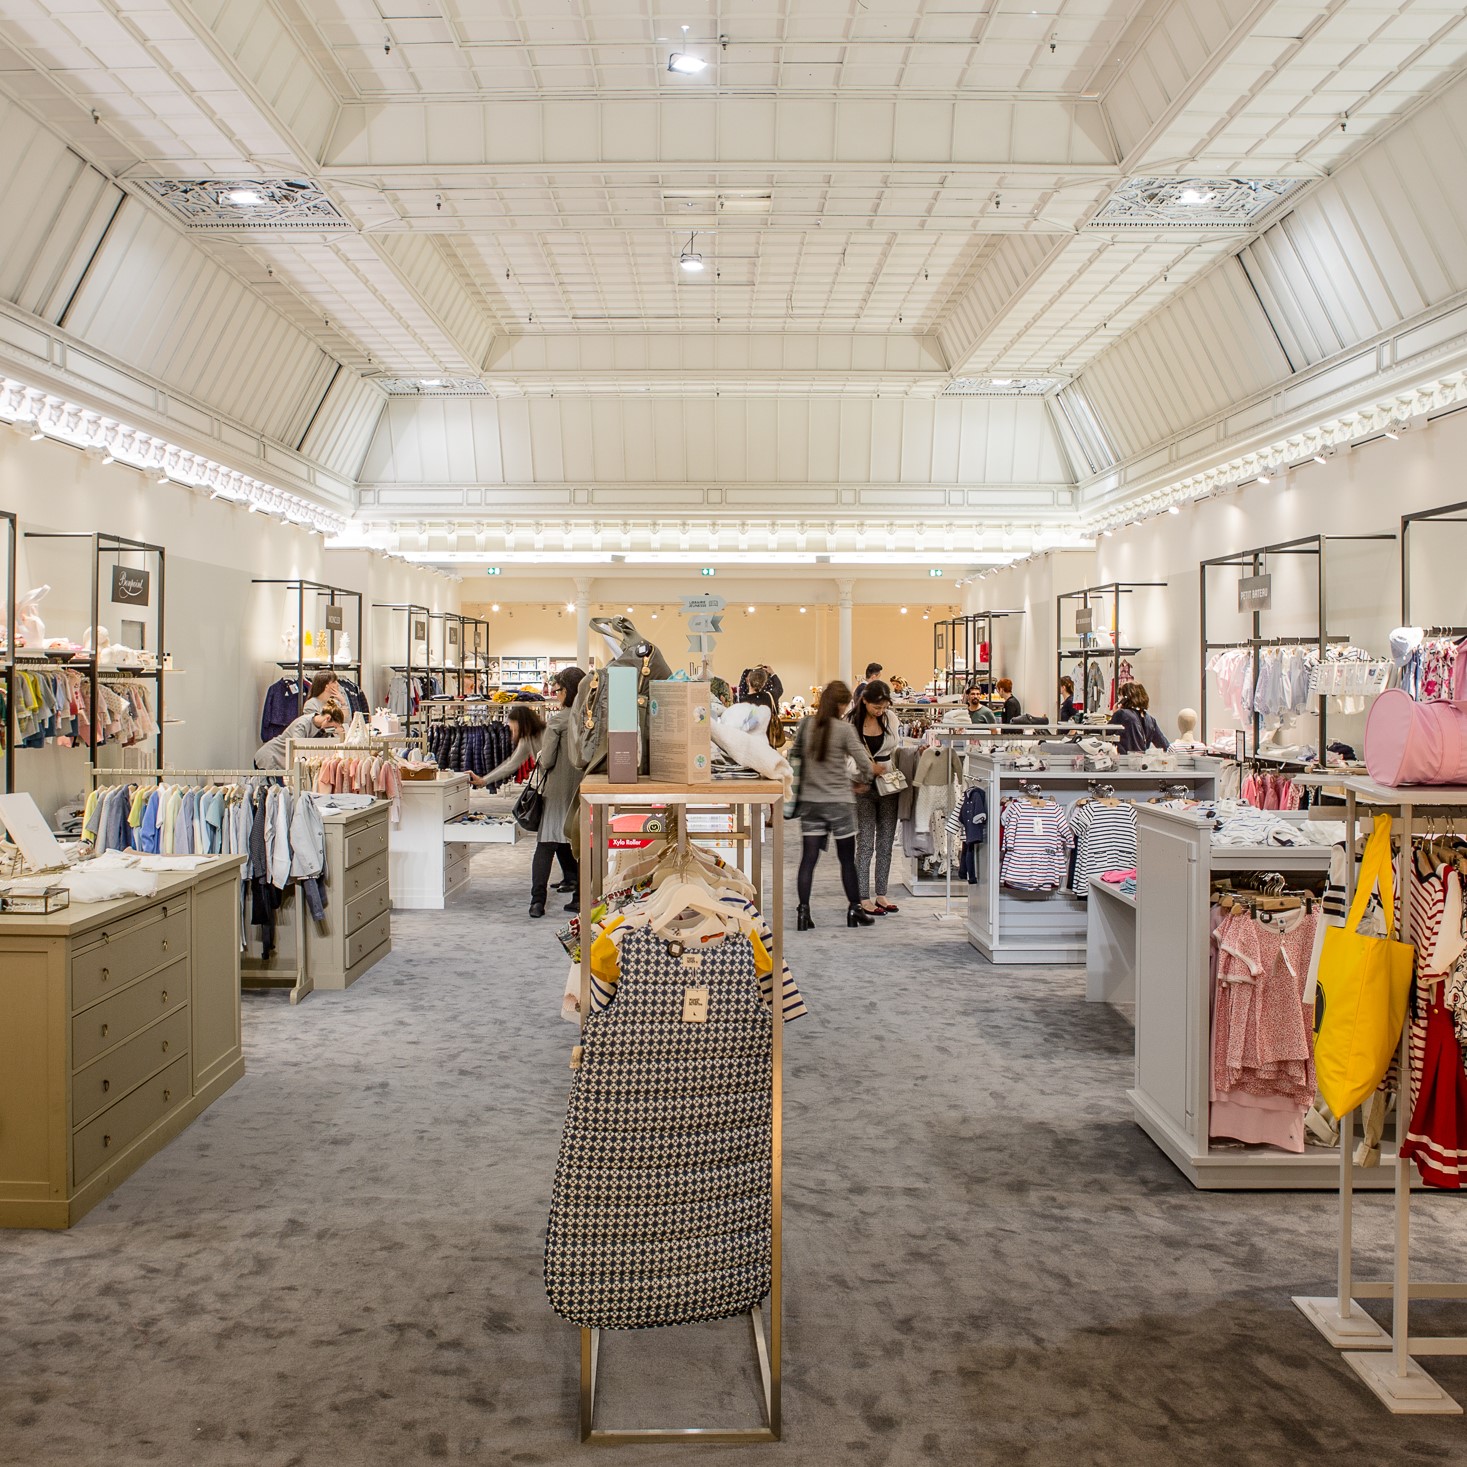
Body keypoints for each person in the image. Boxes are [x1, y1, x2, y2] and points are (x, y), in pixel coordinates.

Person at [472, 667, 587, 918]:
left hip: (556, 792)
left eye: (558, 690)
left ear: (568, 691)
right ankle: (580, 897)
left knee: (545, 846)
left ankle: (538, 902)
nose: (555, 695)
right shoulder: (589, 720)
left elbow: (546, 762)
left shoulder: (557, 722)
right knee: (579, 845)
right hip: (582, 792)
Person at [792, 680, 880, 931]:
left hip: (811, 802)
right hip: (839, 802)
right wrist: (862, 783)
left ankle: (803, 912)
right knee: (846, 860)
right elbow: (864, 763)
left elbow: (795, 756)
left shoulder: (806, 725)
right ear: (841, 704)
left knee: (808, 859)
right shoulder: (844, 730)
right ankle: (854, 909)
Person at [849, 679, 901, 917]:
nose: (880, 711)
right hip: (862, 786)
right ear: (865, 701)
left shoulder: (890, 719)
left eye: (884, 707)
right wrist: (867, 769)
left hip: (888, 785)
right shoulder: (850, 723)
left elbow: (895, 748)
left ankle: (881, 893)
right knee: (866, 843)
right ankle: (862, 896)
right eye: (876, 707)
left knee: (886, 842)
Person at [254, 704, 343, 770]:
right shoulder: (302, 724)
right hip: (270, 756)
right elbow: (298, 749)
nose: (333, 729)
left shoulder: (322, 728)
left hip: (283, 761)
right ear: (327, 718)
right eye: (333, 726)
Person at [1114, 681, 1170, 754]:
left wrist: (1115, 714)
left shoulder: (1121, 714)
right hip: (1141, 762)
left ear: (1125, 699)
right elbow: (1165, 746)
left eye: (1120, 695)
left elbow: (1103, 734)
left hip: (1125, 762)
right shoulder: (1150, 720)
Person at [739, 665, 786, 748]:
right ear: (764, 683)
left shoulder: (744, 701)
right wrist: (773, 673)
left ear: (747, 681)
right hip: (769, 740)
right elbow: (779, 688)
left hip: (751, 743)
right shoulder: (770, 696)